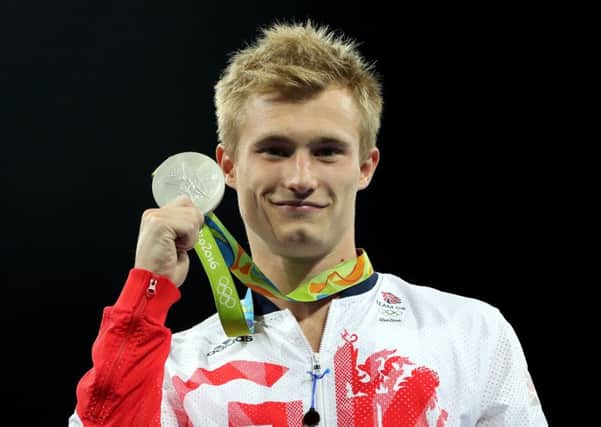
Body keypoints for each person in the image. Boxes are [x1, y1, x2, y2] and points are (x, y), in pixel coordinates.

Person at [69, 21, 547, 426]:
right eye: (275, 150)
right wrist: (145, 299)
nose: (300, 178)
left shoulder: (469, 333)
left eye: (327, 151)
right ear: (228, 167)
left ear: (365, 166)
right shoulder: (171, 369)